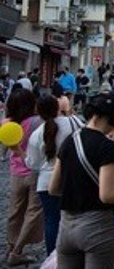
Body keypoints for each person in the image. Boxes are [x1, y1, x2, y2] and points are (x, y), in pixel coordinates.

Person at [48, 92, 114, 268]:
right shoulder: (106, 146)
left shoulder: (70, 140)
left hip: (67, 226)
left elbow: (53, 188)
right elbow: (107, 195)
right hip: (96, 227)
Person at [26, 95, 84, 255]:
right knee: (75, 219)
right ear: (57, 107)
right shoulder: (73, 122)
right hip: (72, 179)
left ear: (39, 112)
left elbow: (32, 164)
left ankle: (52, 256)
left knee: (51, 222)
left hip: (46, 182)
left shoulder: (37, 134)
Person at [4, 87, 44, 265]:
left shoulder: (6, 123)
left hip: (16, 172)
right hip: (34, 171)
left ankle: (11, 245)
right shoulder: (37, 122)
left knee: (15, 211)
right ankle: (17, 251)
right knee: (33, 212)